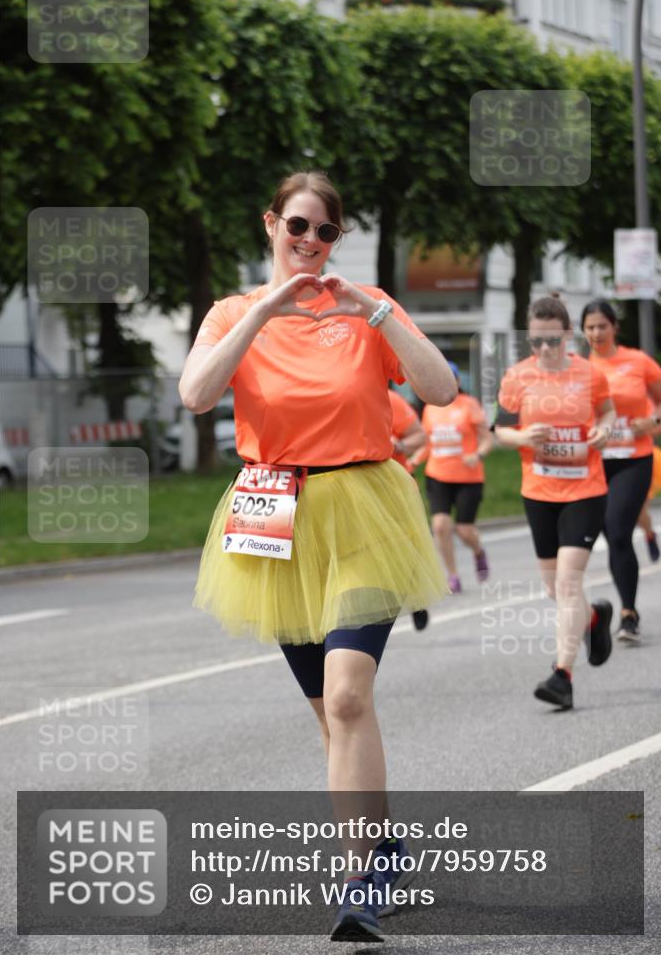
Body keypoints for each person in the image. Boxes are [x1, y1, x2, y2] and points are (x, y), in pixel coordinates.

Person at [179, 171, 456, 942]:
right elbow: (197, 394)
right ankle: (388, 849)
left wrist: (380, 315)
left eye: (324, 232)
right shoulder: (234, 312)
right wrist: (264, 309)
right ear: (271, 224)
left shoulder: (365, 308)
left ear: (338, 239)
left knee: (346, 697)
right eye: (296, 226)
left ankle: (360, 879)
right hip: (273, 516)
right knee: (329, 716)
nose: (309, 242)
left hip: (363, 507)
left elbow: (438, 387)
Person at [495, 295, 616, 711]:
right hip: (538, 493)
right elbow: (501, 431)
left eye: (553, 341)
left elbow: (608, 412)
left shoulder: (589, 374)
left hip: (585, 490)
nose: (545, 350)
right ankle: (595, 618)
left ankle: (562, 675)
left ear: (567, 336)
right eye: (536, 343)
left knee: (567, 583)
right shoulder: (516, 378)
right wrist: (523, 438)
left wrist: (603, 430)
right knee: (555, 588)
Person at [581, 300, 661, 640]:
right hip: (594, 462)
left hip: (633, 458)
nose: (596, 333)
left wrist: (655, 420)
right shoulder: (578, 368)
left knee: (617, 530)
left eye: (602, 325)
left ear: (614, 327)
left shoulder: (638, 361)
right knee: (609, 533)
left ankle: (628, 613)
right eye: (589, 327)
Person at [414, 362, 492, 593]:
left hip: (468, 477)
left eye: (452, 377)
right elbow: (428, 444)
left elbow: (487, 439)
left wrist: (477, 454)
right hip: (438, 475)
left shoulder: (469, 405)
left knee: (465, 530)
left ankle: (478, 550)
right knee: (439, 525)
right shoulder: (430, 408)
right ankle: (452, 576)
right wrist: (415, 459)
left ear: (457, 381)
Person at [387, 388, 433, 630]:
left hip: (396, 487)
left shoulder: (391, 400)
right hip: (353, 492)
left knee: (406, 549)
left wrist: (400, 444)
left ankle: (416, 598)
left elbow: (420, 437)